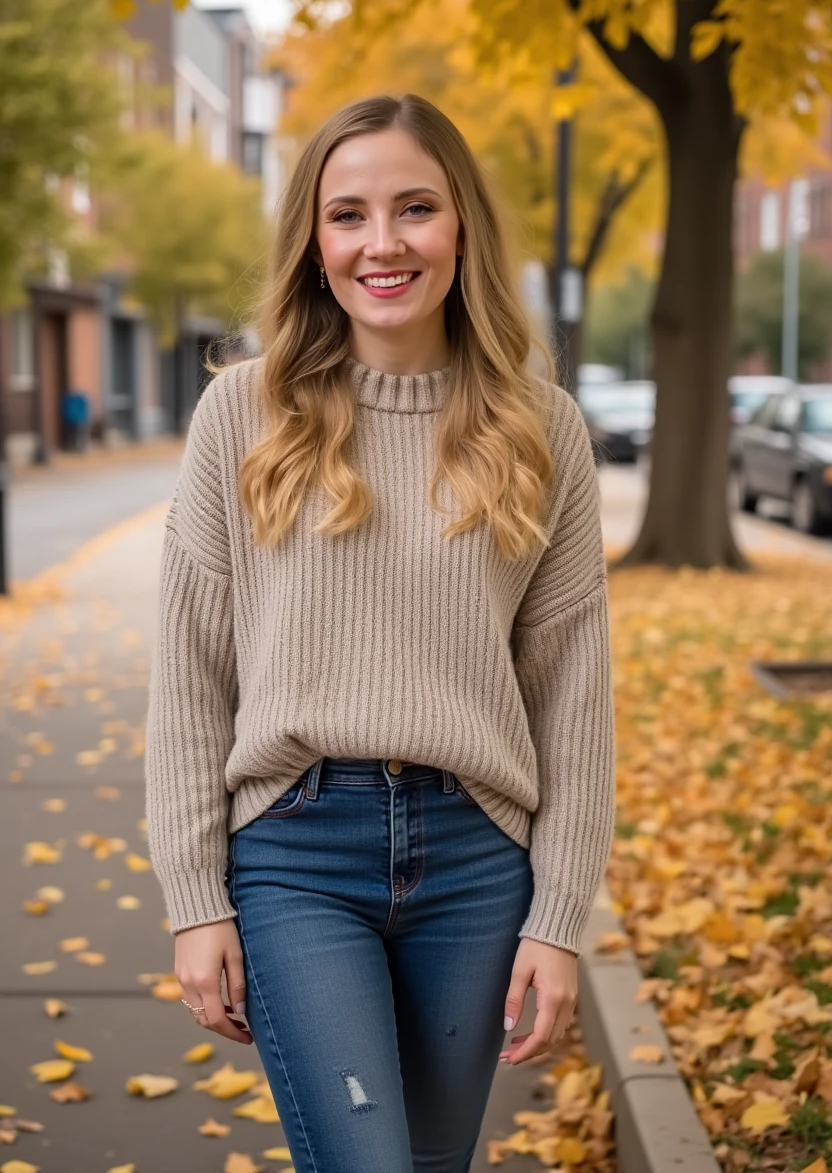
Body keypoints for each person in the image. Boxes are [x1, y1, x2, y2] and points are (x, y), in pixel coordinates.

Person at [144, 93, 615, 1173]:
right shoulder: (241, 416)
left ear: (461, 229)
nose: (383, 243)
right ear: (314, 243)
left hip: (475, 857)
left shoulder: (541, 428)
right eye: (347, 214)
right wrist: (192, 896)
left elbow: (572, 693)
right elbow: (190, 678)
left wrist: (557, 918)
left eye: (415, 208)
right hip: (296, 853)